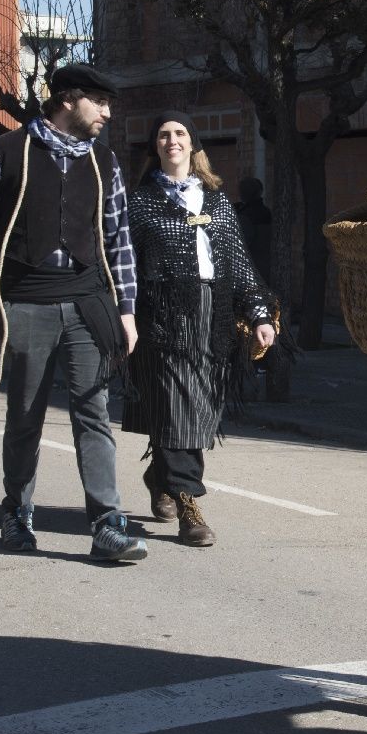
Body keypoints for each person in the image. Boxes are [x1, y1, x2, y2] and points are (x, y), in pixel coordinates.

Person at [0, 63, 146, 563]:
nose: (107, 113)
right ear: (66, 99)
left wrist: (127, 310)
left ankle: (107, 522)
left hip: (88, 301)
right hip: (26, 301)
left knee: (93, 412)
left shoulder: (105, 163)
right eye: (99, 102)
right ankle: (17, 511)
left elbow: (119, 241)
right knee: (24, 417)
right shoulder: (8, 152)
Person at [123, 111, 275, 547]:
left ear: (194, 145)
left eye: (180, 134)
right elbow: (125, 265)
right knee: (175, 402)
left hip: (216, 314)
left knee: (201, 406)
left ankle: (160, 475)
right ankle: (189, 501)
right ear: (155, 147)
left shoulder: (218, 200)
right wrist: (123, 315)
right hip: (163, 314)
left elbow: (239, 262)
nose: (172, 141)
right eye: (164, 135)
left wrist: (260, 314)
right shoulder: (141, 201)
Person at [236, 175, 274, 271]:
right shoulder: (266, 212)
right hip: (265, 266)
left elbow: (241, 244)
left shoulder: (245, 216)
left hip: (250, 268)